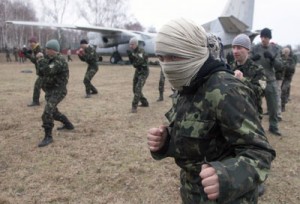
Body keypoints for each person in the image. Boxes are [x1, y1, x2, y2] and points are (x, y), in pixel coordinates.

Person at [147, 18, 275, 204]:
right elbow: (197, 140)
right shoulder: (187, 85)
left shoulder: (226, 90)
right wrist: (166, 142)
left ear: (193, 52)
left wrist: (226, 177)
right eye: (161, 58)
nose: (167, 65)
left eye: (174, 57)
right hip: (193, 195)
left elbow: (260, 153)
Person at [35, 39, 74, 147]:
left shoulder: (60, 60)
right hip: (49, 90)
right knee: (54, 112)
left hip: (58, 90)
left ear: (54, 50)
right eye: (46, 48)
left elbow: (48, 71)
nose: (46, 50)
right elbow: (40, 72)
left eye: (48, 49)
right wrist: (38, 61)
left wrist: (41, 60)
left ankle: (48, 137)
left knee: (47, 112)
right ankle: (68, 125)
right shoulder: (49, 59)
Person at [250, 28, 283, 136]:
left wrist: (273, 59)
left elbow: (280, 67)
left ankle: (273, 126)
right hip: (259, 80)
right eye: (262, 37)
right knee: (255, 104)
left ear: (269, 38)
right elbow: (248, 61)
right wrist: (253, 59)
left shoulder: (275, 49)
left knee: (273, 106)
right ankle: (256, 127)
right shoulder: (255, 48)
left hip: (270, 80)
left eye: (266, 37)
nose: (263, 39)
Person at [231, 34, 266, 120]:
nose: (235, 51)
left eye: (239, 48)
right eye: (234, 47)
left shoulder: (258, 70)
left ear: (248, 50)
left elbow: (260, 92)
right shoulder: (229, 68)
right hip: (233, 113)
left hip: (251, 116)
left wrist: (242, 80)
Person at [127, 37, 149, 113]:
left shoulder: (141, 51)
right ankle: (144, 103)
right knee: (134, 89)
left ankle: (134, 106)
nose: (131, 46)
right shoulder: (134, 51)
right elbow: (133, 63)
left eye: (132, 44)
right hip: (138, 71)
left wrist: (132, 57)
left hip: (143, 72)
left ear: (136, 44)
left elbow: (137, 63)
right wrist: (130, 57)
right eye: (130, 44)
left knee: (138, 89)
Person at [24, 36, 43, 106]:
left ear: (35, 43)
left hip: (43, 72)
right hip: (42, 71)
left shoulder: (38, 49)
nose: (31, 44)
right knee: (45, 86)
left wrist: (28, 55)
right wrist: (28, 53)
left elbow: (37, 60)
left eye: (32, 42)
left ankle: (35, 102)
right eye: (30, 42)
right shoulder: (35, 49)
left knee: (37, 86)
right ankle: (52, 96)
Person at [281, 47, 296, 112]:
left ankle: (282, 106)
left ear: (289, 53)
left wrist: (285, 66)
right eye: (284, 52)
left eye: (286, 52)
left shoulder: (291, 60)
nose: (285, 53)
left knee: (283, 90)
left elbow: (292, 69)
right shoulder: (280, 59)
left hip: (287, 78)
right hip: (279, 78)